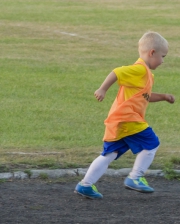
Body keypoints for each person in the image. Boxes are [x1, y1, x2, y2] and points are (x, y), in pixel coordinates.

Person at [74, 31, 175, 199]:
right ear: (152, 53)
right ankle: (135, 177)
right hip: (128, 118)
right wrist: (102, 89)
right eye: (163, 56)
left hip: (118, 120)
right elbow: (117, 72)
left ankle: (85, 185)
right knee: (152, 143)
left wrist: (163, 97)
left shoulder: (145, 74)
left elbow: (145, 96)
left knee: (109, 154)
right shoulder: (140, 69)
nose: (163, 61)